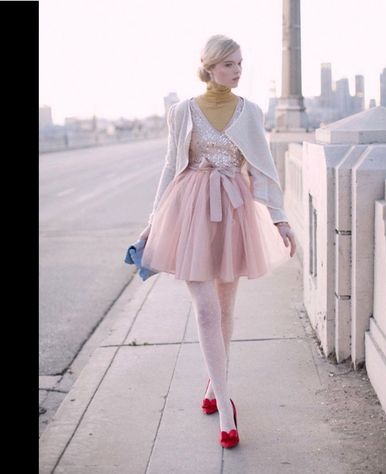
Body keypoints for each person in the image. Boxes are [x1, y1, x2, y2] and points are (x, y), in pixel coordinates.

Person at [134, 34, 297, 449]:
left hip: (234, 212)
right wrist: (152, 224)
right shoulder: (182, 111)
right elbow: (171, 167)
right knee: (206, 311)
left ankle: (213, 387)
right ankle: (226, 406)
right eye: (229, 64)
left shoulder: (251, 111)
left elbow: (264, 169)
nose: (238, 71)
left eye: (241, 63)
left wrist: (279, 220)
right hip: (188, 212)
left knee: (225, 310)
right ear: (209, 66)